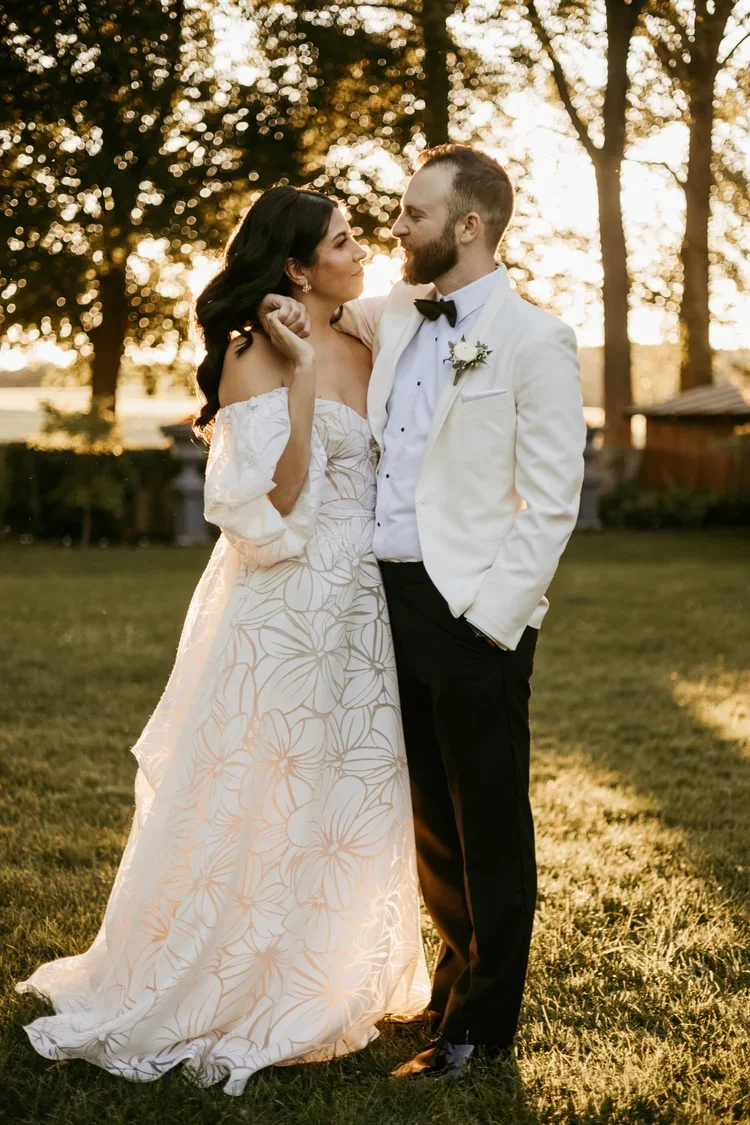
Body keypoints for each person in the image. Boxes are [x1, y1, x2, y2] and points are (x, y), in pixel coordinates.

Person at [16, 186, 429, 1094]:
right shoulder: (253, 354)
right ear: (295, 264)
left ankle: (320, 967)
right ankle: (231, 977)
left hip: (363, 608)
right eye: (344, 241)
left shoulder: (367, 327)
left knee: (346, 792)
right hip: (284, 609)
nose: (363, 250)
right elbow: (274, 503)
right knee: (260, 790)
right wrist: (304, 375)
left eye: (361, 235)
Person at [259, 145, 587, 1081]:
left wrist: (492, 619)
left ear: (468, 226)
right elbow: (324, 308)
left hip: (473, 612)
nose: (394, 229)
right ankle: (449, 994)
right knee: (432, 820)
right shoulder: (397, 308)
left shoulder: (537, 339)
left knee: (487, 818)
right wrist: (281, 308)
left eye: (411, 215)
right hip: (383, 599)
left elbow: (552, 498)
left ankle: (483, 1026)